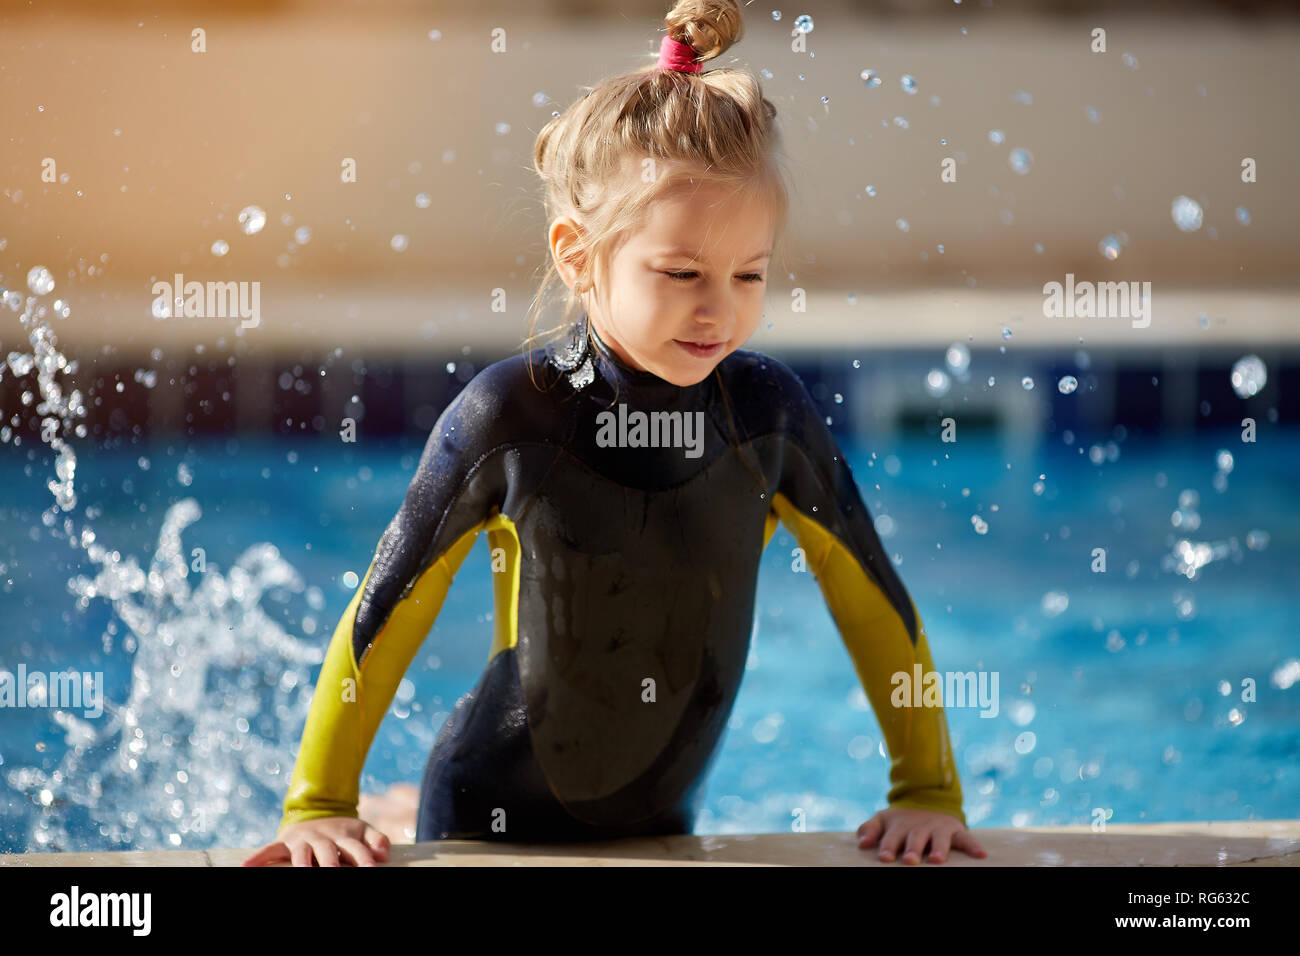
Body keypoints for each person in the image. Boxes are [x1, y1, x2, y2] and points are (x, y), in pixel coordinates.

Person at [244, 0, 987, 868]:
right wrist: (317, 805)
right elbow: (385, 613)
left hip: (658, 824)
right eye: (681, 273)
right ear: (578, 255)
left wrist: (927, 794)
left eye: (751, 273)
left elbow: (873, 603)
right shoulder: (510, 417)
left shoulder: (766, 417)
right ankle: (394, 804)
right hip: (486, 817)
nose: (721, 307)